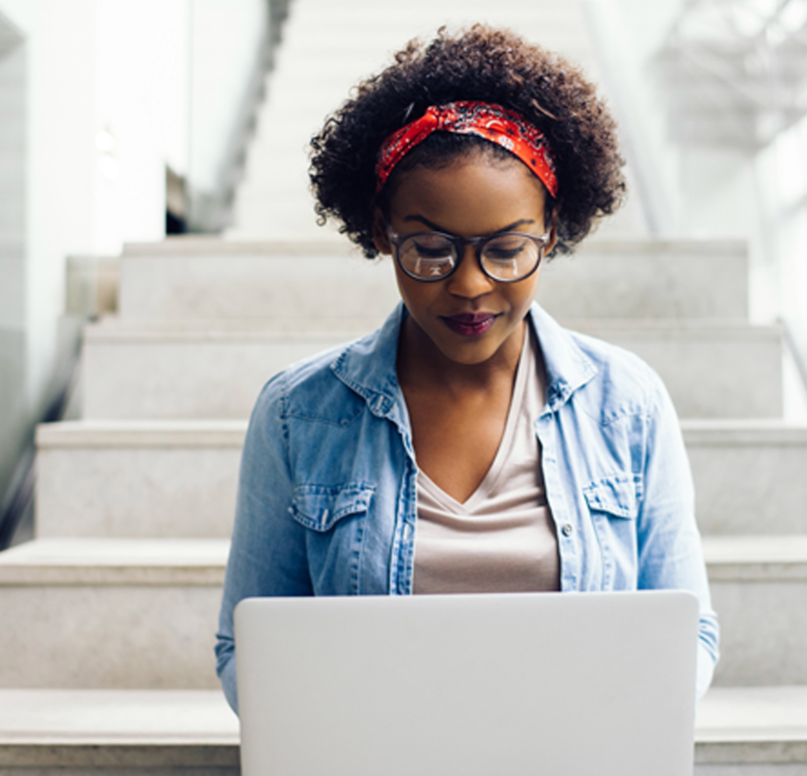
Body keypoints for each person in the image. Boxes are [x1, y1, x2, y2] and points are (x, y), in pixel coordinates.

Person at [215, 25, 718, 713]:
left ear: (551, 231)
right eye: (430, 249)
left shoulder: (627, 404)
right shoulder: (298, 413)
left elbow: (690, 634)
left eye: (508, 250)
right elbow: (247, 648)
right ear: (382, 231)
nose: (471, 286)